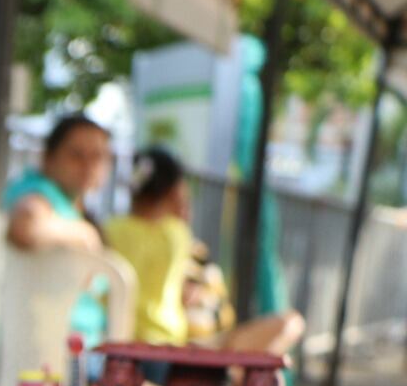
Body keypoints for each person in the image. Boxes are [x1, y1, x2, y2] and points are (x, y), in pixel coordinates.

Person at [106, 147, 304, 359]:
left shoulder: (110, 229)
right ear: (174, 193)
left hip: (118, 340)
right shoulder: (177, 234)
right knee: (291, 323)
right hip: (167, 345)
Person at [3, 114, 114, 353]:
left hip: (81, 346)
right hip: (50, 351)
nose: (88, 165)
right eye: (76, 155)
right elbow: (26, 224)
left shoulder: (75, 206)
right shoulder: (38, 190)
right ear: (48, 159)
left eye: (97, 156)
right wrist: (83, 233)